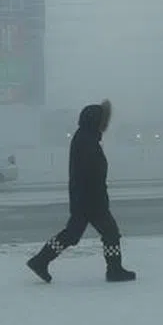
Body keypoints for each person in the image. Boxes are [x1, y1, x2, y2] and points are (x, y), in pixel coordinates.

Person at [27, 100, 137, 283]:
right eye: (103, 120)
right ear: (95, 121)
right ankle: (114, 270)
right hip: (91, 200)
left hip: (85, 198)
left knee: (73, 234)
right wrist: (96, 197)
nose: (106, 124)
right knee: (109, 233)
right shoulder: (87, 141)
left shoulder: (86, 137)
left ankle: (41, 260)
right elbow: (89, 173)